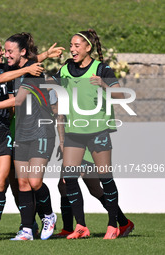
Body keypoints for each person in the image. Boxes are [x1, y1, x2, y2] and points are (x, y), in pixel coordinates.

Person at [0, 33, 64, 241]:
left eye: (9, 51)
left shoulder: (33, 73)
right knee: (22, 184)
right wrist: (44, 55)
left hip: (40, 132)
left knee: (35, 182)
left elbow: (18, 101)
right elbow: (15, 69)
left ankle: (48, 215)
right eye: (3, 50)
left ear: (22, 52)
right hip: (20, 133)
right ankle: (27, 229)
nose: (5, 53)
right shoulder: (11, 69)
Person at [52, 29, 132, 239]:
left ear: (88, 48)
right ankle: (81, 227)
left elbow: (121, 95)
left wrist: (104, 85)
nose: (72, 49)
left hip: (97, 130)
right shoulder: (65, 70)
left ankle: (113, 225)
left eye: (77, 45)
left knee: (105, 178)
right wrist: (61, 137)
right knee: (68, 178)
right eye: (71, 45)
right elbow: (59, 101)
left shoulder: (101, 69)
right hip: (74, 132)